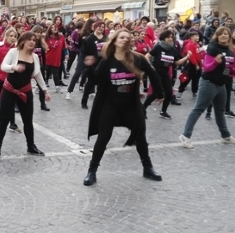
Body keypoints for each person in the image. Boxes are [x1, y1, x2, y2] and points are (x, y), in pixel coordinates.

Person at [83, 29, 163, 186]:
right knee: (104, 137)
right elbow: (95, 81)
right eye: (122, 37)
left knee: (140, 136)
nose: (125, 39)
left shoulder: (137, 58)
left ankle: (147, 168)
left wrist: (160, 93)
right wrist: (90, 67)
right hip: (110, 104)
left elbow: (152, 74)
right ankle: (92, 171)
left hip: (131, 104)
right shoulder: (106, 60)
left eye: (128, 37)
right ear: (115, 40)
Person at [178, 27, 235, 148]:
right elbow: (207, 67)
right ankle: (185, 136)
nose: (223, 36)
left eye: (226, 34)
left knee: (220, 111)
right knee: (199, 109)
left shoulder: (231, 50)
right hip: (209, 83)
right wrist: (215, 62)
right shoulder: (213, 48)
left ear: (230, 36)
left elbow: (230, 71)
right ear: (217, 36)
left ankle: (225, 136)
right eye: (221, 34)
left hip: (221, 84)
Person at [0, 31, 50, 161]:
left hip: (25, 91)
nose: (32, 42)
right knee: (4, 120)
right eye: (30, 39)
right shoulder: (13, 52)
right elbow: (3, 66)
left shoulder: (34, 57)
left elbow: (38, 74)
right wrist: (14, 67)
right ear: (23, 41)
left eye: (34, 40)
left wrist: (45, 91)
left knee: (28, 120)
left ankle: (31, 146)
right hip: (9, 91)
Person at [143, 29, 190, 119]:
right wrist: (150, 67)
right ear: (163, 38)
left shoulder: (173, 49)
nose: (170, 39)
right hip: (156, 72)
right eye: (168, 37)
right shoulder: (158, 47)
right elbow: (147, 56)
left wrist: (186, 58)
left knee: (169, 93)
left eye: (171, 37)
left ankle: (163, 111)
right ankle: (143, 109)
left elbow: (177, 62)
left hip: (165, 73)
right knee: (156, 93)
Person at [80, 21, 108, 109]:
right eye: (99, 26)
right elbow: (84, 51)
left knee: (102, 83)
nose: (101, 28)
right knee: (90, 83)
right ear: (95, 27)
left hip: (103, 63)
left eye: (103, 27)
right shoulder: (89, 38)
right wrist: (87, 59)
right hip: (92, 64)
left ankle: (100, 102)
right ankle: (84, 101)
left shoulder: (106, 38)